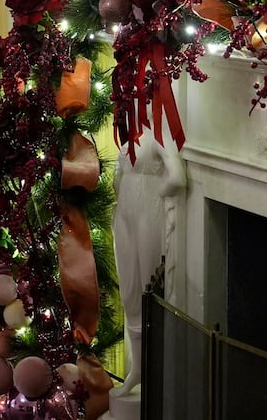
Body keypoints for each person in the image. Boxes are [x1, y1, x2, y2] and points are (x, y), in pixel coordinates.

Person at [111, 133, 186, 401]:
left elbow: (177, 177)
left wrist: (155, 193)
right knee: (129, 291)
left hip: (147, 211)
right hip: (125, 214)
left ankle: (156, 371)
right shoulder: (128, 134)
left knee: (148, 288)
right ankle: (137, 371)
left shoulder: (159, 133)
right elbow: (116, 177)